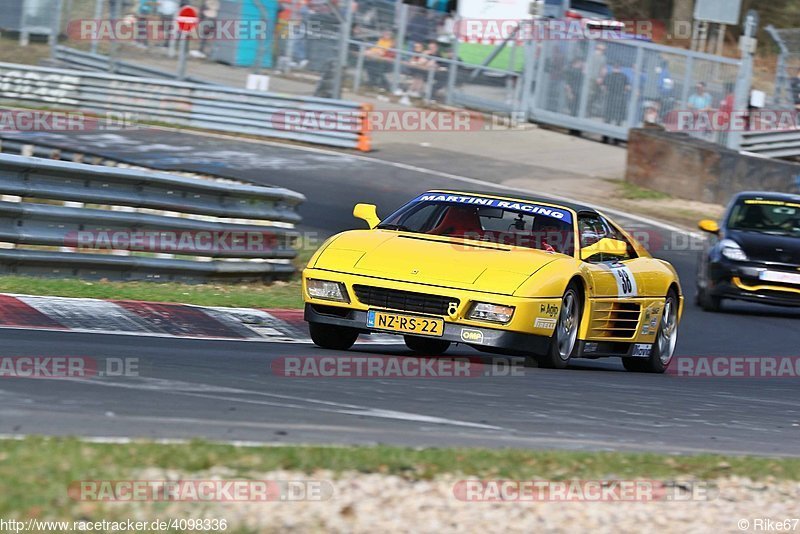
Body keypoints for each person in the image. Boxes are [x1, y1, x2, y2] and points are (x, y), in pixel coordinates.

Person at [603, 63, 630, 127]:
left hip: (610, 95)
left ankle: (607, 123)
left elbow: (604, 87)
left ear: (613, 68)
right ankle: (618, 125)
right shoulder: (624, 76)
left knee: (609, 110)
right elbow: (627, 87)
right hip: (619, 96)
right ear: (620, 68)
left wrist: (606, 91)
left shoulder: (609, 75)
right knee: (618, 111)